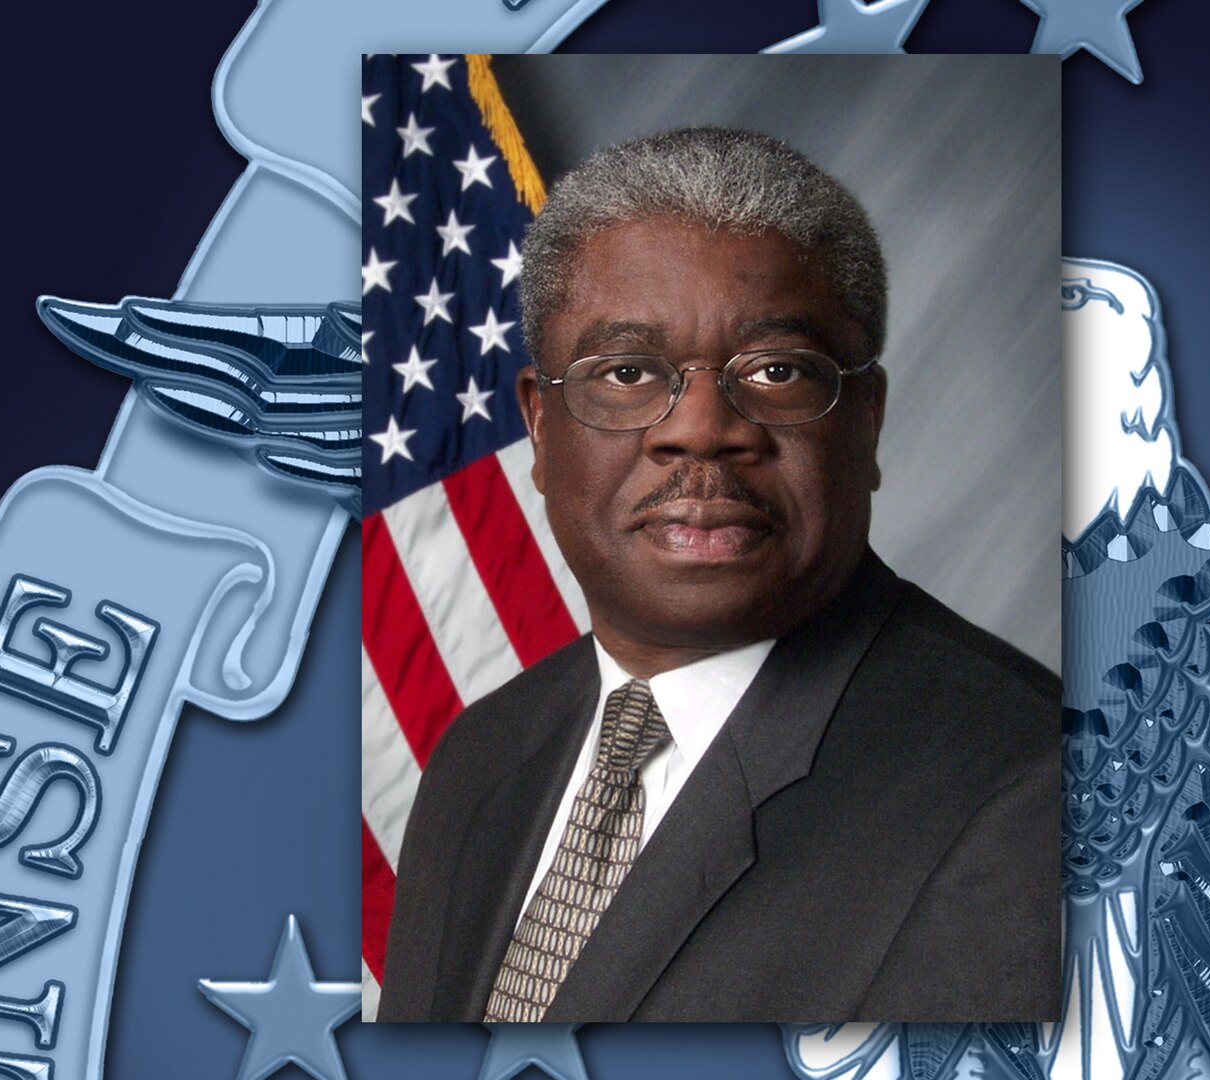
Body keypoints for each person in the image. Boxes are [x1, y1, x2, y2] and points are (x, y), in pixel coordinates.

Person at [377, 127, 1060, 1023]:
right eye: (626, 371)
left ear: (868, 420)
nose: (701, 428)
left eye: (777, 370)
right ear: (540, 430)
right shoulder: (484, 757)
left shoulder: (1038, 803)